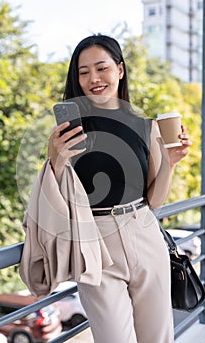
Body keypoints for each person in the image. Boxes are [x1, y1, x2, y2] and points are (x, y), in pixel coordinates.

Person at [41, 35, 191, 343]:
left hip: (143, 231)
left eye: (101, 68)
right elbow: (52, 196)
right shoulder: (67, 131)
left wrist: (170, 163)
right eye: (83, 72)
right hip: (94, 241)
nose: (93, 79)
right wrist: (56, 160)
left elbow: (154, 200)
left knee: (157, 338)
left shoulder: (145, 126)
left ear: (119, 70)